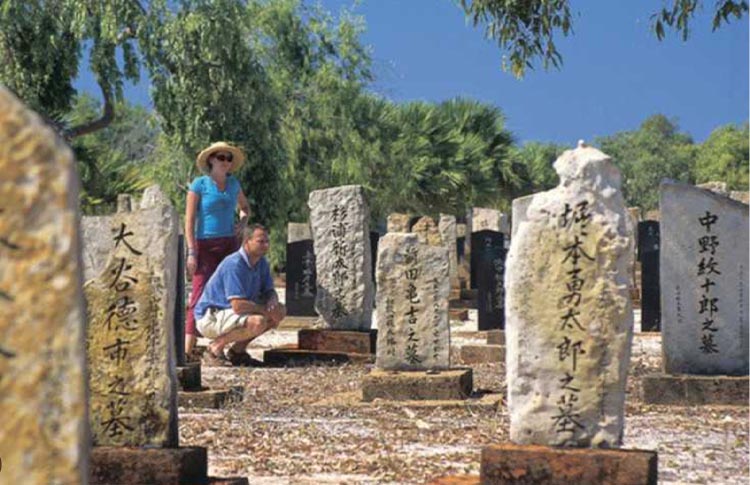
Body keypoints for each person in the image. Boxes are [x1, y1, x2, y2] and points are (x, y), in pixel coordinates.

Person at [185, 141, 252, 359]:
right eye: (221, 157)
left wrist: (242, 223)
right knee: (199, 291)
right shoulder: (199, 184)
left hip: (229, 244)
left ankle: (221, 345)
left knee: (229, 293)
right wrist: (191, 251)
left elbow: (245, 208)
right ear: (211, 159)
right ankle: (188, 348)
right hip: (205, 244)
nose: (226, 162)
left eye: (229, 158)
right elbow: (189, 219)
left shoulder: (233, 184)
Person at [194, 224, 286, 366]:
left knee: (279, 311)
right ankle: (214, 348)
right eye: (260, 241)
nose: (265, 245)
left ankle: (237, 351)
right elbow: (238, 305)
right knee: (258, 321)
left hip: (231, 313)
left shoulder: (261, 263)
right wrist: (266, 310)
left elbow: (269, 290)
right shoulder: (234, 264)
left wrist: (273, 301)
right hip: (211, 315)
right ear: (246, 242)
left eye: (267, 241)